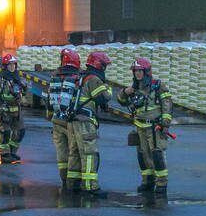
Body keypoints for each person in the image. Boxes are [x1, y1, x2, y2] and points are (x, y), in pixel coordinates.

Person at [119, 57, 173, 195]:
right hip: (139, 126)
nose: (137, 73)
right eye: (135, 71)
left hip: (154, 127)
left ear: (146, 71)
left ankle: (161, 183)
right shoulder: (134, 88)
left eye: (140, 70)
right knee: (143, 155)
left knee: (157, 155)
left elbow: (167, 105)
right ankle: (147, 181)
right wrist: (125, 92)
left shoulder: (158, 86)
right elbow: (121, 101)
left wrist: (165, 124)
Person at [65, 52, 112, 197]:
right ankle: (90, 186)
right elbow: (104, 97)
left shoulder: (81, 76)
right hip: (85, 122)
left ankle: (73, 183)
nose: (105, 69)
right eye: (104, 66)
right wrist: (108, 87)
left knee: (74, 152)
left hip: (74, 120)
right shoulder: (94, 79)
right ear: (99, 65)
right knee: (89, 153)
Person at [45, 48, 84, 189]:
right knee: (73, 151)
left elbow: (49, 100)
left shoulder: (55, 77)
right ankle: (73, 182)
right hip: (70, 121)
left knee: (61, 152)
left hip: (56, 120)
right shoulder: (77, 77)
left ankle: (63, 178)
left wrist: (51, 117)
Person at [0, 54, 27, 162]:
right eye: (10, 65)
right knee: (4, 133)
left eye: (14, 65)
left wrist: (24, 88)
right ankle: (5, 155)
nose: (12, 67)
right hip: (3, 112)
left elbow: (22, 94)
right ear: (5, 66)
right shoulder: (0, 79)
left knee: (20, 132)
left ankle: (11, 152)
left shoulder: (17, 77)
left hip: (16, 111)